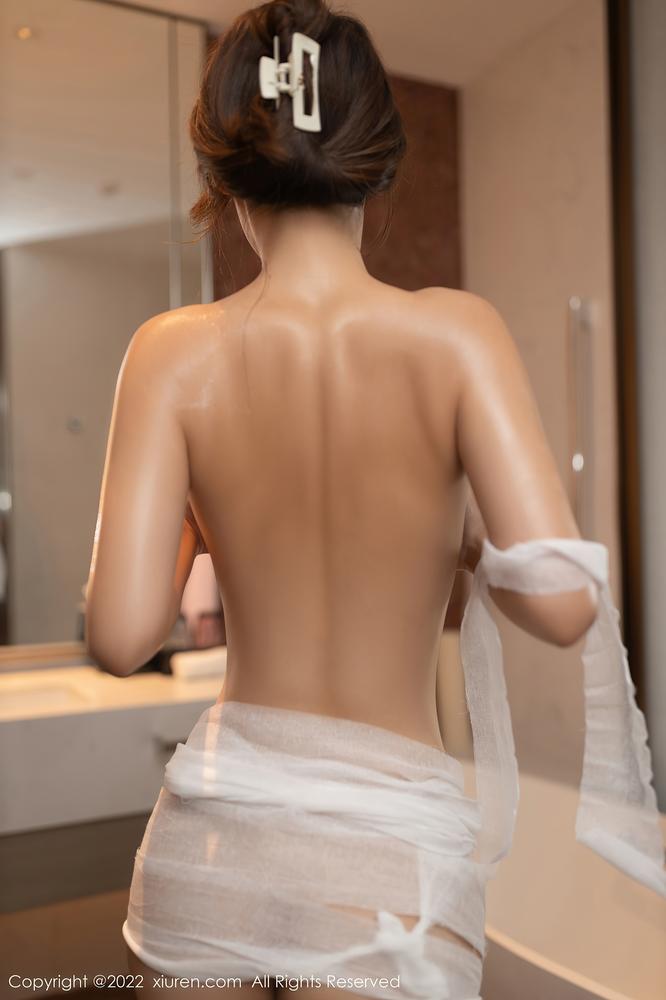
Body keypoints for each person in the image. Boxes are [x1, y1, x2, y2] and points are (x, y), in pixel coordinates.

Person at [84, 1, 664, 997]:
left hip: (209, 849)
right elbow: (565, 607)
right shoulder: (456, 335)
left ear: (222, 177)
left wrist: (203, 514)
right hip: (389, 873)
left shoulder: (169, 352)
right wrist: (467, 537)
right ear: (378, 165)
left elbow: (120, 635)